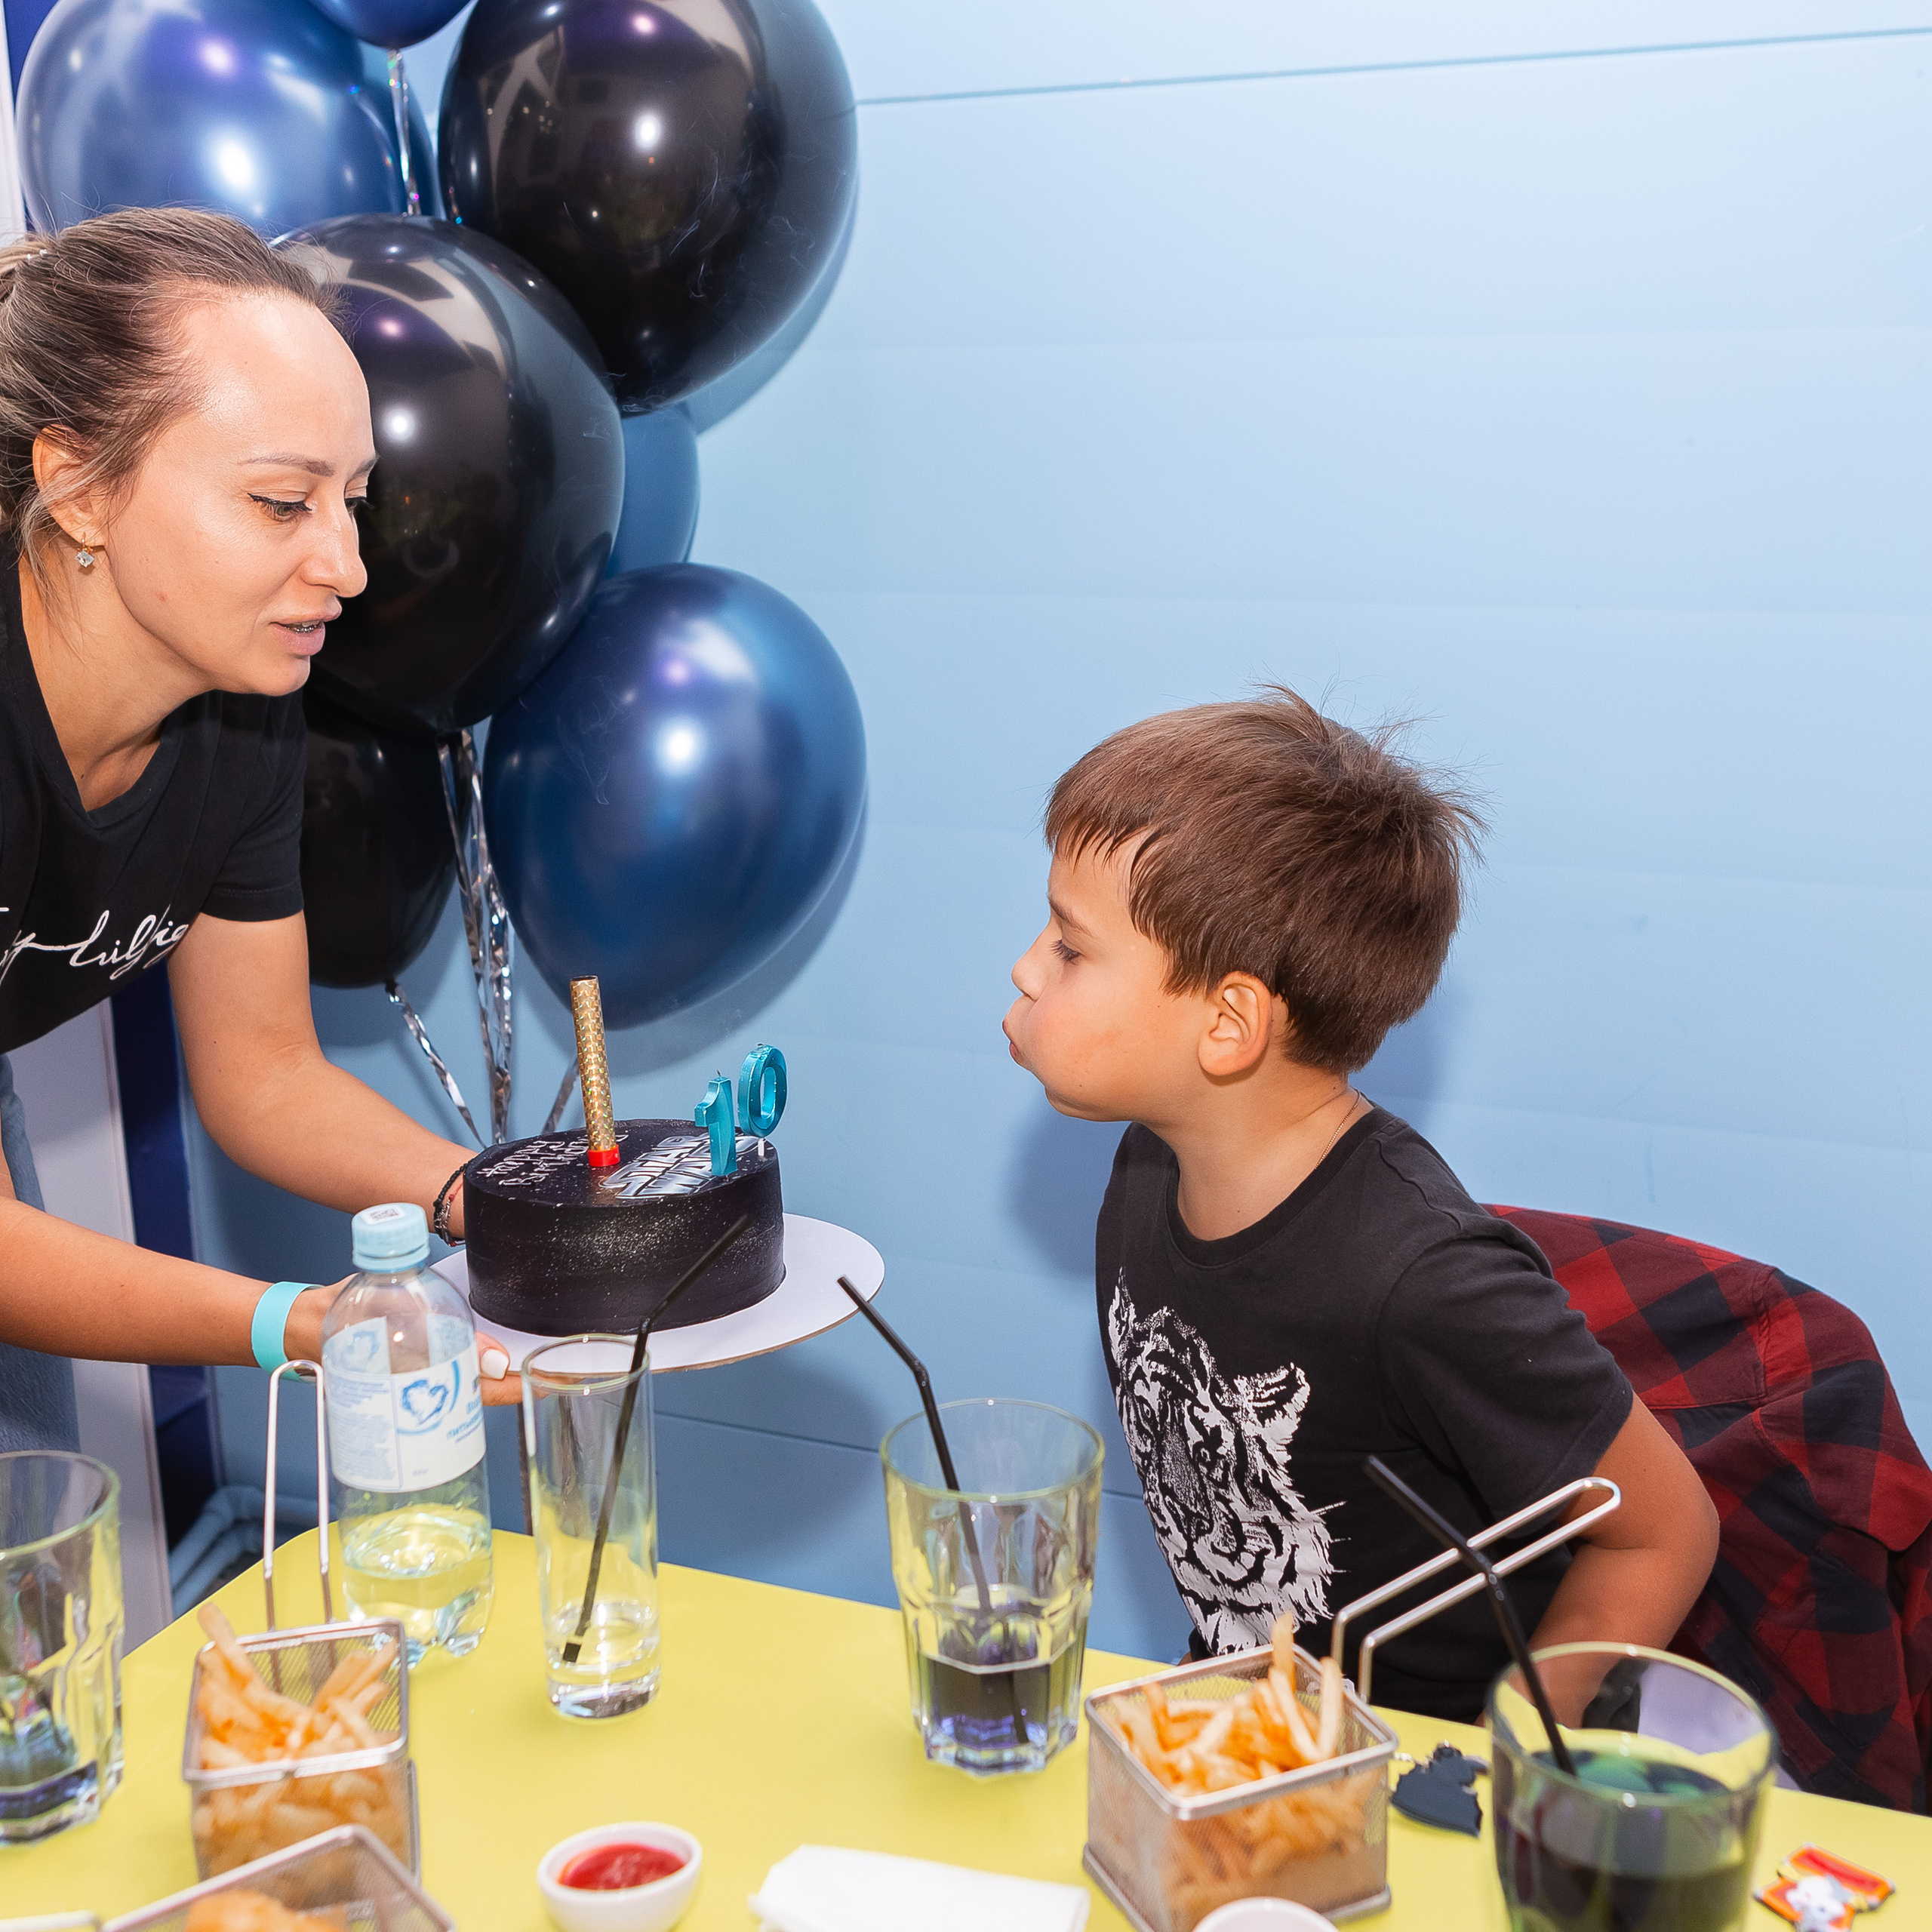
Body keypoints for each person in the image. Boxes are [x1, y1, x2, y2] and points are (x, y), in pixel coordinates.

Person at [1003, 689, 1718, 1723]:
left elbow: (1663, 1529)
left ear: (1229, 1024)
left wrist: (1502, 1752)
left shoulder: (1423, 1279)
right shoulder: (1146, 1166)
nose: (1027, 964)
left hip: (1432, 1774)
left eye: (1071, 947)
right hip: (1259, 1727)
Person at [0, 207, 511, 1454]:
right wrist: (304, 1321)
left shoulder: (244, 714)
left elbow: (266, 1075)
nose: (344, 564)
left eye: (353, 500)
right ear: (77, 485)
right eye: (281, 502)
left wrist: (492, 1203)